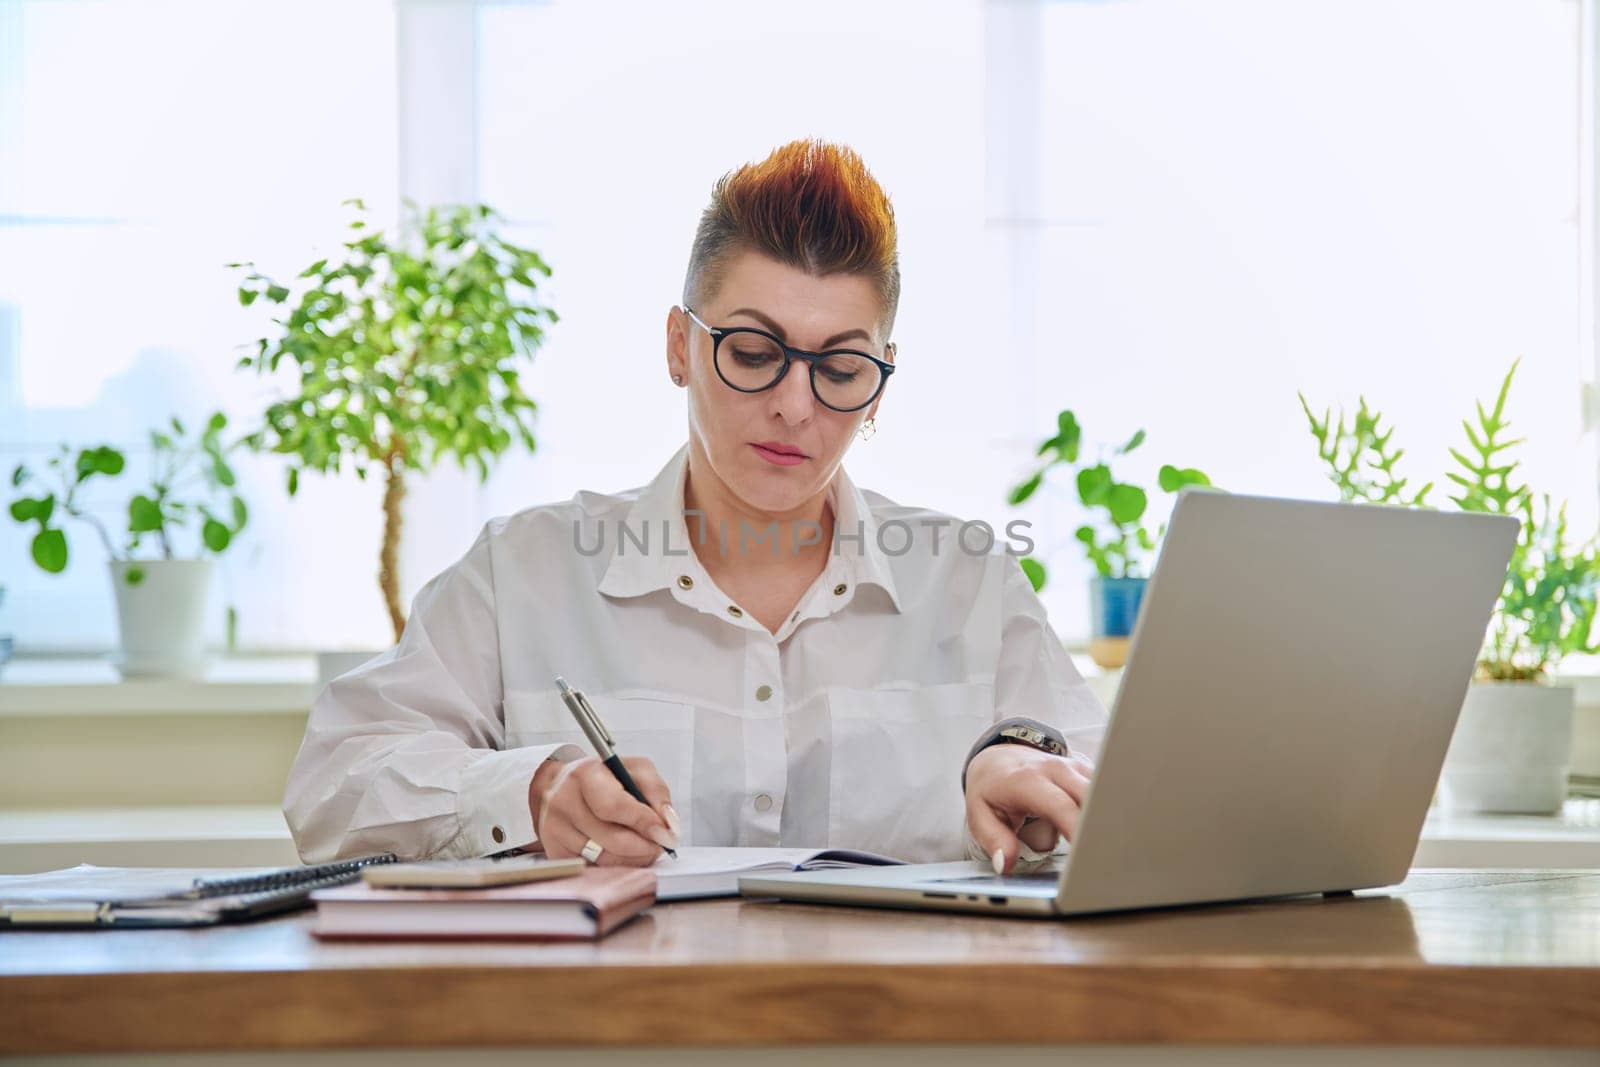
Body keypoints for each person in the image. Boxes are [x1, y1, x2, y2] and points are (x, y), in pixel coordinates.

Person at [284, 139, 1107, 875]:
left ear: (882, 379)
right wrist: (530, 791)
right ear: (680, 346)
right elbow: (333, 779)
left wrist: (1019, 764)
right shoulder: (524, 572)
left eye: (843, 368)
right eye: (753, 352)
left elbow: (1116, 791)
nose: (794, 405)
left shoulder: (971, 581)